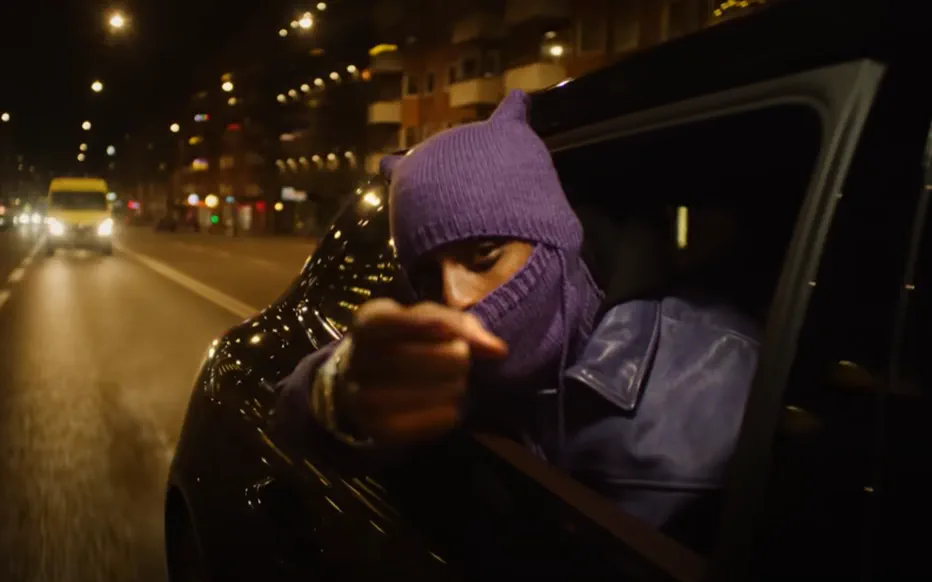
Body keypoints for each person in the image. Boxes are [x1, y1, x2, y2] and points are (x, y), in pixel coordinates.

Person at [275, 90, 760, 529]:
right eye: (429, 278)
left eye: (484, 254)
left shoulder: (724, 371)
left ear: (555, 241)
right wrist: (341, 391)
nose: (456, 298)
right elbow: (294, 410)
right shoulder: (446, 362)